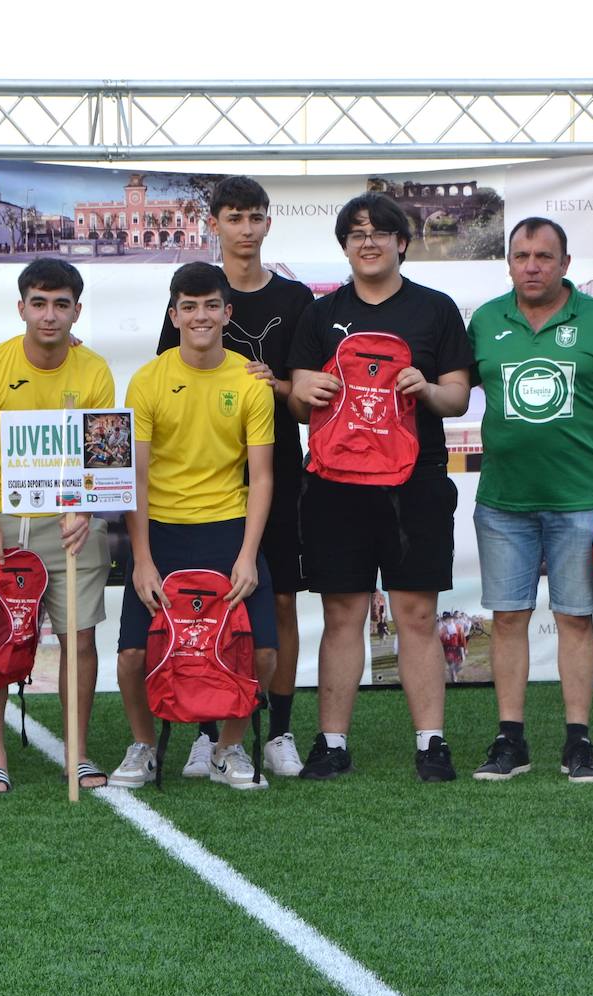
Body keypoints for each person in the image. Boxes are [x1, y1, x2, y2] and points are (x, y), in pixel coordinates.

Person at [468, 217, 593, 783]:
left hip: (580, 503)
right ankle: (511, 741)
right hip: (502, 503)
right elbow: (451, 390)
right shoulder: (485, 321)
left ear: (565, 264)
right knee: (508, 619)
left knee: (575, 619)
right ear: (508, 263)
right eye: (521, 256)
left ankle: (578, 741)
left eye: (544, 256)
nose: (532, 266)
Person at [288, 192, 472, 782]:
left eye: (379, 232)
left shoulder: (435, 309)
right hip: (335, 485)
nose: (367, 242)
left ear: (401, 242)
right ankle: (332, 743)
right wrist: (304, 391)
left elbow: (457, 397)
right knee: (342, 613)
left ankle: (431, 743)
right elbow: (298, 403)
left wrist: (427, 389)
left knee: (416, 613)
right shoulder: (320, 313)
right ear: (345, 247)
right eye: (356, 234)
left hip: (415, 482)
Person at [155, 175, 313, 779]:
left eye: (255, 217)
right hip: (206, 484)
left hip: (278, 471)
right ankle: (207, 730)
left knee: (279, 601)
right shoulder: (194, 291)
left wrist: (275, 384)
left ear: (268, 223)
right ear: (214, 224)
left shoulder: (296, 298)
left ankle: (280, 730)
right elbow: (169, 379)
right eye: (234, 217)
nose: (245, 229)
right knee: (205, 605)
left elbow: (306, 396)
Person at [109, 262, 278, 789]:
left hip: (228, 528)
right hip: (161, 530)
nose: (200, 316)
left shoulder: (250, 380)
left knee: (263, 651)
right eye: (189, 307)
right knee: (134, 653)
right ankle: (143, 746)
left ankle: (228, 748)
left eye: (210, 306)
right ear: (173, 315)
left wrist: (247, 555)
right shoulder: (148, 380)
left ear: (227, 313)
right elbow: (134, 477)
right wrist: (141, 559)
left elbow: (262, 476)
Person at [0, 258, 114, 794]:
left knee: (79, 637)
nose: (49, 315)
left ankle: (78, 753)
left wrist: (84, 509)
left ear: (76, 311)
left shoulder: (93, 370)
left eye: (61, 305)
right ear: (21, 307)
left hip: (67, 520)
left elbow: (100, 451)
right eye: (39, 303)